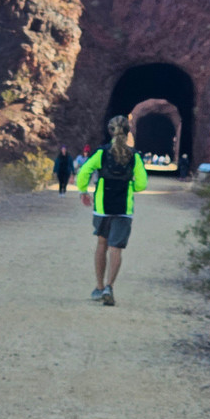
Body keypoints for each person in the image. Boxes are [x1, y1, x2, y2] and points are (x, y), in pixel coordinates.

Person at [76, 115, 148, 307]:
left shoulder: (101, 153)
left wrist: (83, 190)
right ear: (128, 132)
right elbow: (142, 184)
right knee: (116, 248)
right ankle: (109, 287)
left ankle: (99, 287)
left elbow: (84, 172)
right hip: (124, 209)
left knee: (102, 244)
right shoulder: (135, 155)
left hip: (102, 206)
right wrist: (130, 186)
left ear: (110, 131)